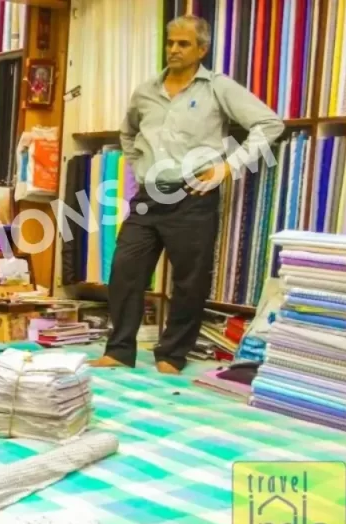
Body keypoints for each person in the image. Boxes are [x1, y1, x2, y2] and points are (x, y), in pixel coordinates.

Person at [92, 15, 283, 374]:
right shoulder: (146, 90)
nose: (174, 50)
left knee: (189, 281)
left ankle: (171, 355)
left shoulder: (217, 88)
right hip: (149, 198)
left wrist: (228, 166)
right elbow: (128, 134)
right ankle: (119, 350)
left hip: (193, 198)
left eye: (183, 44)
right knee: (124, 271)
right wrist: (139, 167)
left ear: (202, 50)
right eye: (170, 43)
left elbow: (270, 123)